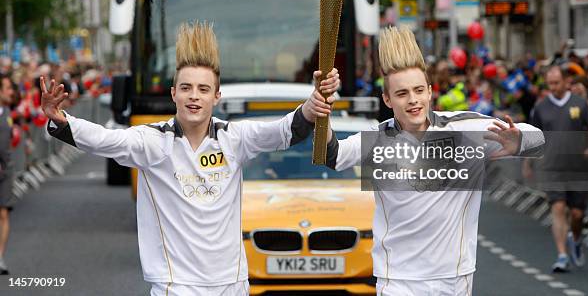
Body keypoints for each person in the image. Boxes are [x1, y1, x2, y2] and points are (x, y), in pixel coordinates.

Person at [40, 21, 340, 296]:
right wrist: (60, 118)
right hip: (176, 285)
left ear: (216, 96)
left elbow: (287, 129)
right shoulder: (152, 142)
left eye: (203, 89)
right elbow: (104, 140)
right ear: (174, 94)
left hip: (231, 284)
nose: (194, 96)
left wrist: (314, 104)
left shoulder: (234, 139)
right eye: (186, 88)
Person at [321, 25, 544, 295]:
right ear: (387, 99)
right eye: (402, 94)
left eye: (418, 91)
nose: (413, 100)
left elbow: (539, 139)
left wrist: (518, 140)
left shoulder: (465, 128)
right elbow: (332, 155)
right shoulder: (377, 139)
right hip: (398, 278)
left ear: (429, 91)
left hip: (454, 278)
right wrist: (323, 109)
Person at [526, 66, 588, 272]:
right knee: (558, 208)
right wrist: (528, 162)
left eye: (557, 83)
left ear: (566, 81)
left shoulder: (580, 103)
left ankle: (575, 239)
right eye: (550, 83)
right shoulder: (541, 107)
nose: (553, 87)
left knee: (577, 214)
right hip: (553, 167)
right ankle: (562, 255)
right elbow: (535, 136)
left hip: (578, 167)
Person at [0, 74, 16, 275]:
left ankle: (0, 257)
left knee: (3, 212)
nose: (11, 92)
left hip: (6, 169)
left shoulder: (8, 113)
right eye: (7, 88)